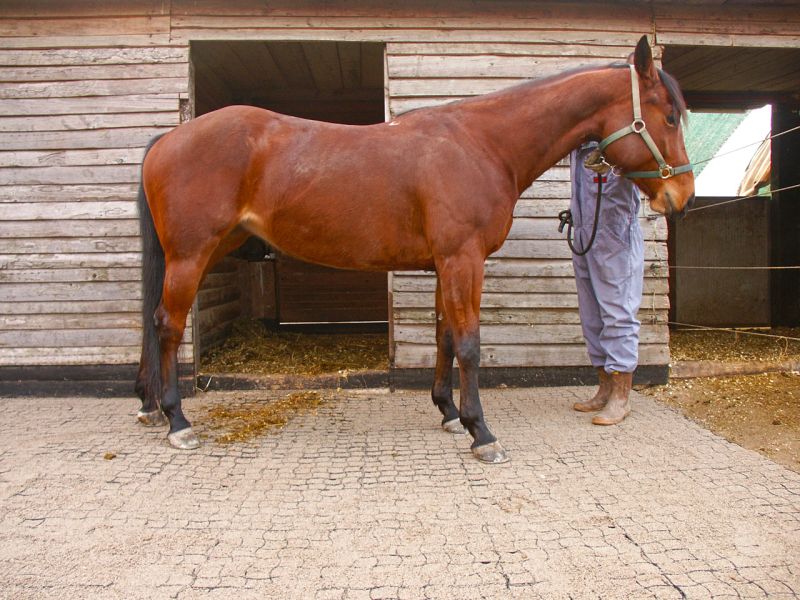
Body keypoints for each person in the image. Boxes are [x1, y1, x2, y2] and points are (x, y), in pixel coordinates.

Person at [569, 141, 644, 425]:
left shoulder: (620, 141)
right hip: (584, 233)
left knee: (618, 312)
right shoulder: (579, 147)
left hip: (614, 232)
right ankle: (604, 388)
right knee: (592, 317)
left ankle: (621, 396)